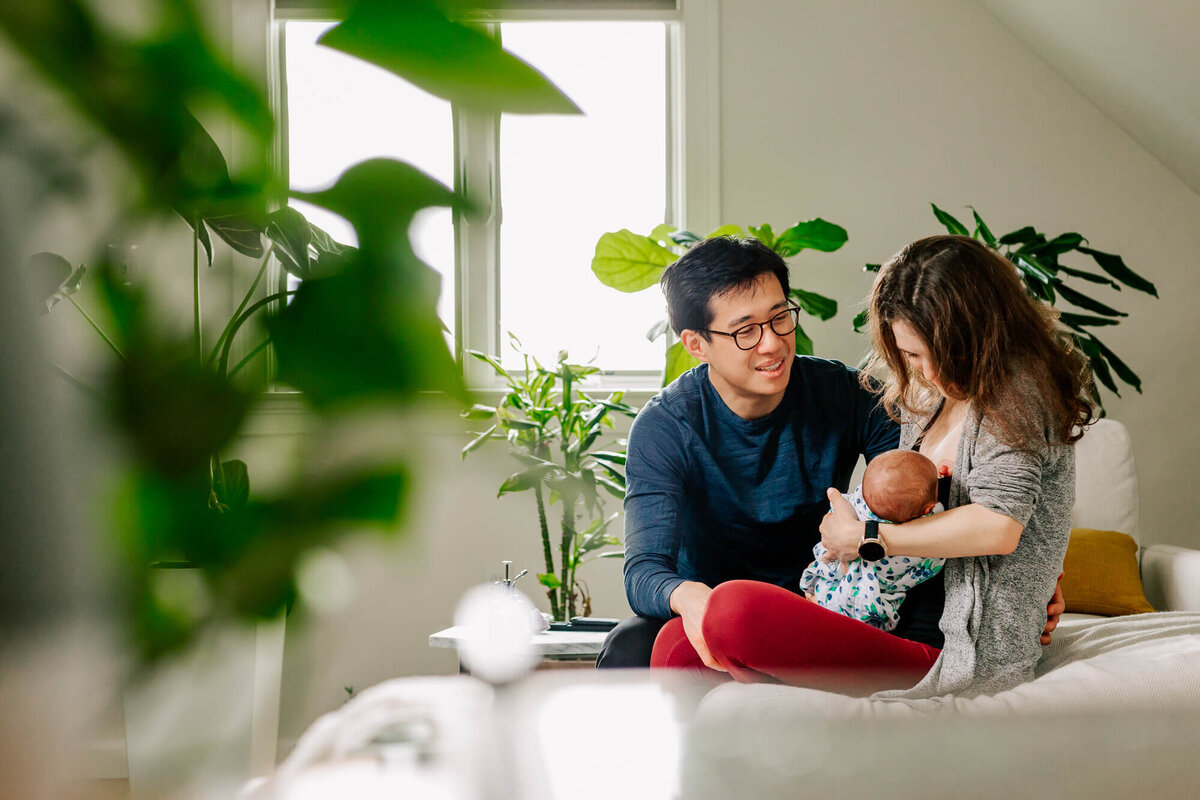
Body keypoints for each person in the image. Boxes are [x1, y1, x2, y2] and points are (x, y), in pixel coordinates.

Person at [597, 235, 1065, 687]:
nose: (772, 344)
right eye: (745, 331)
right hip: (727, 601)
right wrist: (693, 597)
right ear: (696, 344)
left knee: (730, 617)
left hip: (835, 598)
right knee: (637, 648)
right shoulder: (665, 426)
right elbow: (643, 571)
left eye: (781, 318)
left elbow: (920, 494)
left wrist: (1041, 578)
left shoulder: (847, 393)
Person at [799, 449, 945, 632]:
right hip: (867, 596)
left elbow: (841, 504)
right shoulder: (928, 529)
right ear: (927, 509)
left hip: (833, 571)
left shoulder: (861, 501)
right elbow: (931, 562)